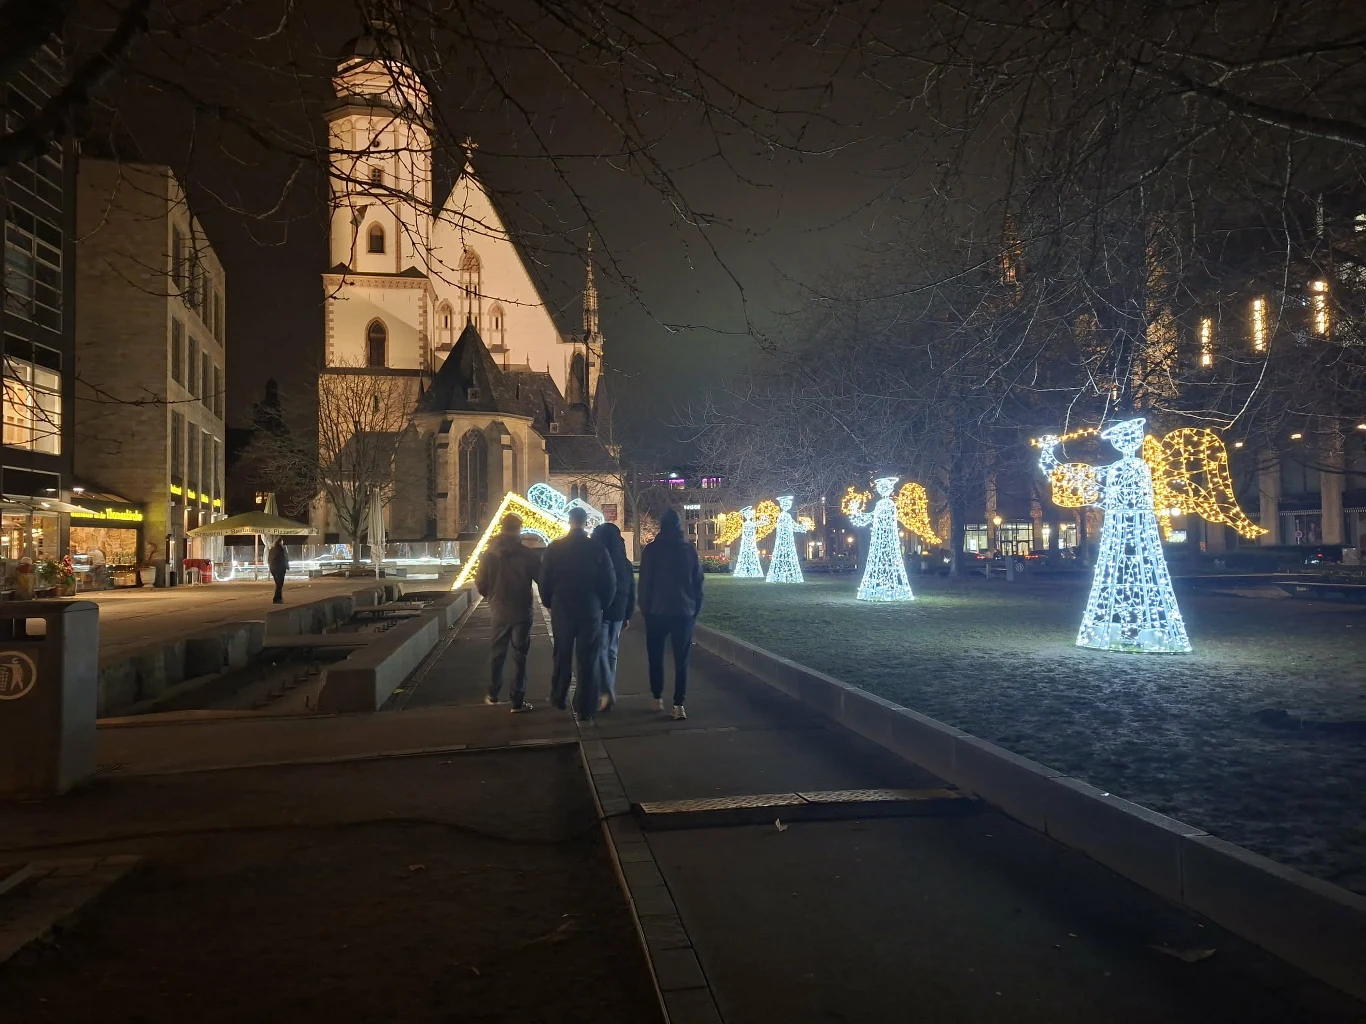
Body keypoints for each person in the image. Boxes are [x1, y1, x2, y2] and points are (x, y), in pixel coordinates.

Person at [538, 506, 616, 721]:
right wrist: (601, 604)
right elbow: (609, 583)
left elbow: (544, 579)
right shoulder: (597, 548)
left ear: (569, 521)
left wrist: (549, 601)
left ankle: (559, 695)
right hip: (589, 607)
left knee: (562, 652)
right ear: (585, 522)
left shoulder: (555, 548)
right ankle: (585, 706)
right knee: (587, 657)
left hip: (562, 605)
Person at [638, 507, 704, 719]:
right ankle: (678, 704)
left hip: (657, 611)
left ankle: (657, 696)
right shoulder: (688, 550)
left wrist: (645, 609)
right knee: (681, 659)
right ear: (679, 526)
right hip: (683, 611)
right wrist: (694, 610)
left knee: (655, 656)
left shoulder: (651, 550)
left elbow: (645, 584)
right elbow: (697, 584)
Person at [475, 513, 542, 712]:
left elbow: (480, 583)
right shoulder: (528, 555)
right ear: (518, 529)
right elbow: (541, 579)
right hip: (522, 609)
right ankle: (517, 700)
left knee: (497, 653)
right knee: (519, 655)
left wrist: (492, 596)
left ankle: (493, 694)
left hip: (499, 609)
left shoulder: (489, 554)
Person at [591, 521, 635, 713]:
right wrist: (628, 614)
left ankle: (605, 689)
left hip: (601, 609)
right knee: (612, 651)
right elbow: (632, 589)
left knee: (600, 649)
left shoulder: (597, 558)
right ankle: (608, 688)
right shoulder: (624, 562)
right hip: (619, 610)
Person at [268, 538, 289, 603]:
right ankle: (276, 599)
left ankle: (279, 598)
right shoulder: (282, 550)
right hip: (280, 568)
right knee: (280, 584)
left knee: (278, 584)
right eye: (282, 542)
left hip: (273, 569)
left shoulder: (271, 550)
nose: (283, 543)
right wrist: (287, 566)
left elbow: (269, 559)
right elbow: (285, 559)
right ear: (280, 542)